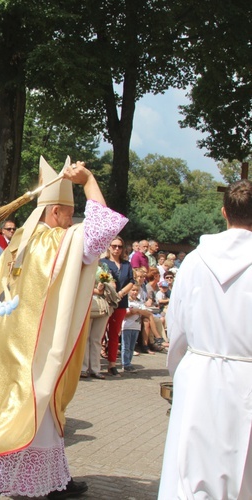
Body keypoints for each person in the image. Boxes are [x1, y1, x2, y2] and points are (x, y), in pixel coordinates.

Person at [0, 158, 127, 500]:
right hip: (34, 349)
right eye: (69, 212)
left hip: (13, 343)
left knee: (44, 414)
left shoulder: (21, 241)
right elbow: (101, 228)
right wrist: (89, 179)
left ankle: (56, 481)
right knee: (22, 414)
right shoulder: (56, 243)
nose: (72, 219)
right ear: (54, 213)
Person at [159, 179, 252, 499]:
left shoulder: (195, 261)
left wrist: (179, 372)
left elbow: (177, 325)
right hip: (247, 381)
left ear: (224, 212)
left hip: (198, 376)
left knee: (191, 472)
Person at [100, 236, 134, 377]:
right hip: (106, 302)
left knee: (115, 334)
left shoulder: (126, 264)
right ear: (109, 247)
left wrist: (121, 293)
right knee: (100, 333)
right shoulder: (103, 263)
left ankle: (112, 364)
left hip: (121, 302)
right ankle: (94, 363)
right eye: (114, 246)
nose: (117, 249)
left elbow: (131, 281)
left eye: (120, 246)